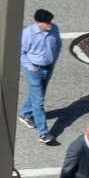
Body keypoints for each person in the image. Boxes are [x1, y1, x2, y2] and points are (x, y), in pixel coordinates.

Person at [19, 9, 61, 144]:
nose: (50, 24)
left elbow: (58, 45)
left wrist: (53, 62)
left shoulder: (54, 29)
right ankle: (43, 132)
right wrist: (31, 67)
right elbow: (21, 52)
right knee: (39, 101)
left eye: (50, 21)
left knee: (38, 93)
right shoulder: (28, 34)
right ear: (38, 23)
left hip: (48, 67)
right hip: (34, 70)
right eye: (47, 22)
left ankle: (25, 114)